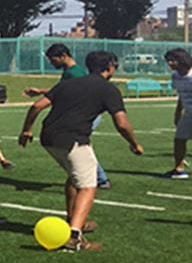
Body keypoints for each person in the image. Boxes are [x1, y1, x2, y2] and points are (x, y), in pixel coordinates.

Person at [18, 51, 142, 251]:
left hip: (48, 137)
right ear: (109, 67)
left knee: (75, 178)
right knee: (88, 185)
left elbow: (36, 105)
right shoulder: (109, 89)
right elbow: (122, 124)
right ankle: (74, 236)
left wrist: (26, 129)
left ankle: (73, 220)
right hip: (73, 139)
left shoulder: (67, 84)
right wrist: (134, 144)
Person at [25, 43, 110, 189]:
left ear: (63, 56)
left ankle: (100, 179)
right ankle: (97, 178)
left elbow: (78, 92)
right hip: (80, 115)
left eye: (53, 60)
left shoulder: (75, 73)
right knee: (79, 148)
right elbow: (61, 91)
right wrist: (40, 91)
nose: (52, 64)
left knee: (80, 147)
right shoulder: (69, 71)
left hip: (85, 115)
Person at [162, 47, 192, 179]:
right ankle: (179, 169)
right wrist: (178, 112)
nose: (169, 63)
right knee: (179, 139)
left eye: (172, 60)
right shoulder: (175, 76)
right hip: (189, 112)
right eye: (168, 61)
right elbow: (180, 95)